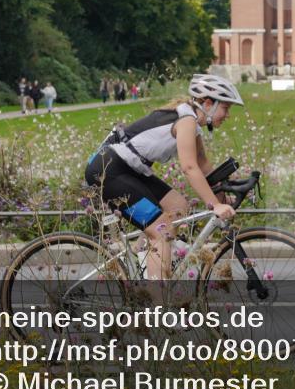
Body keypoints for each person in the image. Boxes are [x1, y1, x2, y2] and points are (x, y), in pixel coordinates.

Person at [85, 74, 243, 281]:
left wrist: (222, 198)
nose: (227, 114)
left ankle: (142, 259)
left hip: (128, 168)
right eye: (226, 108)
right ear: (208, 103)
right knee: (162, 232)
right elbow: (189, 167)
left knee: (177, 206)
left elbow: (204, 166)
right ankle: (156, 304)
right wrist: (214, 205)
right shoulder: (186, 120)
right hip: (109, 170)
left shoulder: (190, 121)